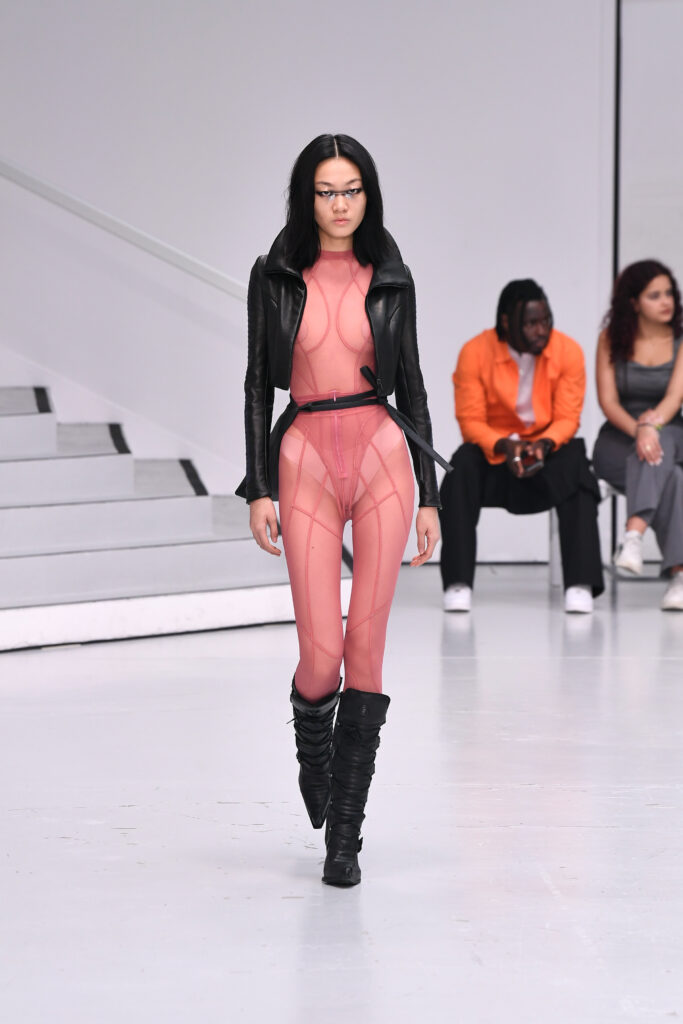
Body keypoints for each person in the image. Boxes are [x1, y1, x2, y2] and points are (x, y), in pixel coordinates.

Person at [236, 134, 447, 886]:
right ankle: (314, 747)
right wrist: (258, 485)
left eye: (351, 189)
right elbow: (257, 381)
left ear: (368, 194)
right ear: (306, 197)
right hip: (304, 461)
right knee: (321, 651)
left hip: (383, 456)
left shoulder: (391, 276)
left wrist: (430, 496)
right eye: (325, 191)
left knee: (366, 647)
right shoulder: (274, 276)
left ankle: (344, 839)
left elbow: (413, 382)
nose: (339, 204)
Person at [439, 279, 604, 613]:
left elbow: (568, 418)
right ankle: (458, 583)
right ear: (506, 322)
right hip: (496, 453)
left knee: (578, 467)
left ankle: (580, 583)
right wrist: (504, 445)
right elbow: (470, 421)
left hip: (546, 449)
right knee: (459, 469)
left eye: (546, 320)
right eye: (531, 323)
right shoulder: (475, 352)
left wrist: (544, 444)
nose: (542, 330)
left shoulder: (568, 351)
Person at [592, 259, 683, 610]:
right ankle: (679, 576)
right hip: (620, 435)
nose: (666, 302)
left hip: (668, 426)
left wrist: (651, 426)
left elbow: (674, 397)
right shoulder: (610, 339)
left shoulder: (680, 339)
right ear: (633, 302)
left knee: (663, 445)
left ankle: (633, 535)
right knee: (672, 475)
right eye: (654, 295)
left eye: (669, 293)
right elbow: (608, 402)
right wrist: (639, 430)